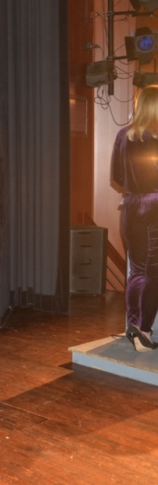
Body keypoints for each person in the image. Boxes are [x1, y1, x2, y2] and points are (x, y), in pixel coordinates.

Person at [111, 85, 158, 352]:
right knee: (155, 272)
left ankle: (133, 325)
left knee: (137, 270)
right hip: (156, 205)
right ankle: (145, 331)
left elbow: (117, 177)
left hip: (130, 205)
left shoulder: (123, 134)